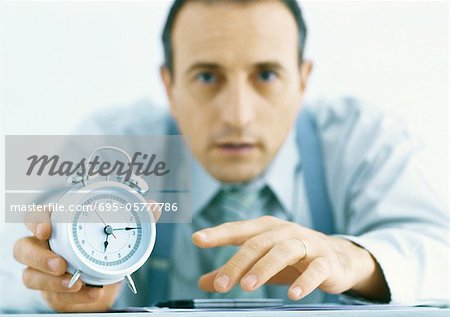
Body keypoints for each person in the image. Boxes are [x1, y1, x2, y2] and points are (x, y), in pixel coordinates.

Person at [7, 0, 449, 313]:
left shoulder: (363, 139)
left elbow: (439, 252)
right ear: (169, 87)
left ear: (303, 80)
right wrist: (67, 281)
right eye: (206, 77)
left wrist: (354, 258)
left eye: (266, 75)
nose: (238, 115)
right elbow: (18, 270)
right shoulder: (112, 146)